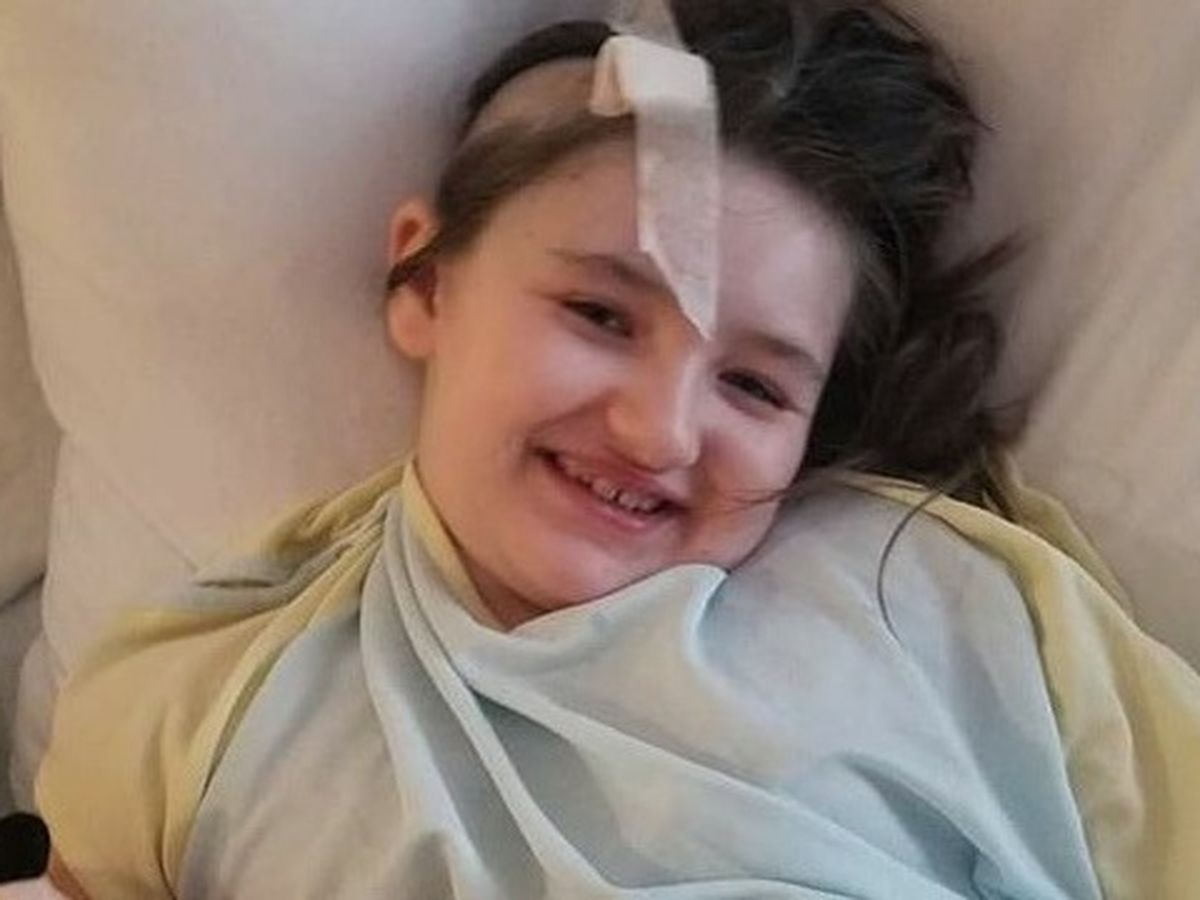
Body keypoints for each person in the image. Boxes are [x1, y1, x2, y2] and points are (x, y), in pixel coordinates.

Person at [21, 2, 1200, 898]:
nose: (660, 430)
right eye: (599, 315)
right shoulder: (197, 704)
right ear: (424, 280)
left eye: (754, 385)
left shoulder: (953, 608)